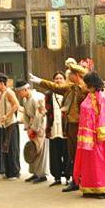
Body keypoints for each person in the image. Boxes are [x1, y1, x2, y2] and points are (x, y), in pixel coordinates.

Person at [30, 60, 89, 192]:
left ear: (76, 75)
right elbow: (54, 87)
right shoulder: (70, 88)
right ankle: (75, 180)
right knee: (72, 154)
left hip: (81, 126)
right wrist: (40, 81)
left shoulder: (85, 89)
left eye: (70, 74)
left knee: (79, 154)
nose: (68, 76)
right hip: (69, 125)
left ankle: (80, 179)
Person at [73, 72, 105, 198]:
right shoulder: (89, 96)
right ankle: (89, 187)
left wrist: (101, 134)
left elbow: (103, 117)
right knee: (88, 162)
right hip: (85, 136)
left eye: (87, 83)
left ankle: (103, 188)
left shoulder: (102, 98)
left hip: (96, 136)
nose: (85, 85)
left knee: (98, 161)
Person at [16, 80, 48, 183]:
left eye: (20, 91)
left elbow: (40, 115)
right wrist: (27, 128)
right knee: (32, 148)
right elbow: (25, 114)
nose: (19, 94)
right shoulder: (25, 99)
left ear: (25, 89)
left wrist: (33, 129)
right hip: (31, 124)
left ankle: (41, 174)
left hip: (40, 125)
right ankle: (35, 173)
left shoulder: (36, 98)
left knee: (40, 149)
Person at [0, 73, 21, 179]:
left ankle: (15, 172)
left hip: (11, 123)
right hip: (3, 124)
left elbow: (16, 105)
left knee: (12, 148)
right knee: (5, 148)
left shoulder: (9, 92)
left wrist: (7, 115)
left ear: (1, 83)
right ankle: (8, 172)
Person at [44, 72, 69, 187]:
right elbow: (47, 110)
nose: (58, 80)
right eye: (56, 78)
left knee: (67, 154)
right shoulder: (49, 94)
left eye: (60, 78)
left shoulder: (68, 92)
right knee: (54, 154)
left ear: (64, 80)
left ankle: (68, 177)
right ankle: (57, 177)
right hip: (53, 127)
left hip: (65, 128)